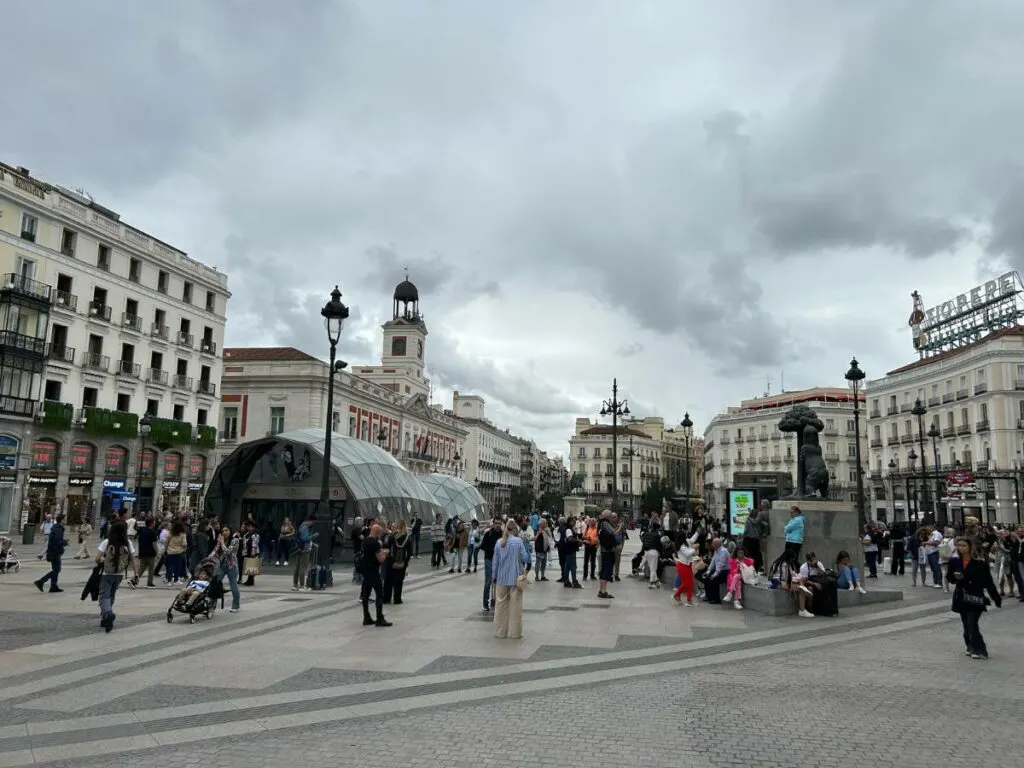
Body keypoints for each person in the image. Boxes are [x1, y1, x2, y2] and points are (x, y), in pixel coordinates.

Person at [946, 537, 1001, 659]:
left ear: (970, 547)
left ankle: (980, 649)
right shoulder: (954, 562)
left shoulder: (979, 564)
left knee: (972, 623)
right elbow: (949, 578)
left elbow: (988, 582)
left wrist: (996, 598)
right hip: (961, 595)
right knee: (966, 624)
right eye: (959, 545)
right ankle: (970, 646)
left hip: (975, 595)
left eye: (963, 545)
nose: (961, 548)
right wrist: (955, 578)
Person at [491, 519, 532, 639]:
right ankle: (515, 633)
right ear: (515, 529)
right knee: (516, 606)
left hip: (501, 578)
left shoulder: (499, 542)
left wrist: (494, 576)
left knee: (500, 605)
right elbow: (526, 558)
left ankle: (500, 631)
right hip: (516, 578)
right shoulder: (518, 542)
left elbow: (495, 561)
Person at [95, 521, 138, 632]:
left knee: (104, 595)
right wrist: (136, 573)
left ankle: (108, 614)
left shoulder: (107, 542)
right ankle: (106, 616)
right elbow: (133, 559)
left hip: (106, 573)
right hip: (119, 574)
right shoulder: (127, 543)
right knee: (111, 595)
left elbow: (97, 558)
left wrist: (101, 562)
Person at [359, 524, 392, 627]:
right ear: (378, 533)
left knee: (365, 595)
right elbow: (380, 559)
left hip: (365, 571)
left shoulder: (364, 541)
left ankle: (366, 617)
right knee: (379, 594)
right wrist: (386, 553)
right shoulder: (375, 543)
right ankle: (379, 618)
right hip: (373, 571)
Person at [34, 513, 68, 593]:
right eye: (65, 519)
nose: (66, 520)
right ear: (62, 520)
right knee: (57, 570)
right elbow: (57, 540)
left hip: (53, 551)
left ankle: (53, 586)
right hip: (55, 551)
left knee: (55, 569)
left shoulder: (56, 527)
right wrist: (65, 542)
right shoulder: (58, 528)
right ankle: (41, 581)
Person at [382, 519, 410, 604]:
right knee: (399, 581)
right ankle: (397, 599)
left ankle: (386, 598)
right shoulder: (407, 536)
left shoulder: (392, 535)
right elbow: (410, 551)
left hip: (391, 560)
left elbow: (387, 546)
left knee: (389, 580)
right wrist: (406, 561)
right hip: (402, 561)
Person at [480, 517, 503, 611]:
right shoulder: (488, 533)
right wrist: (491, 550)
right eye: (496, 523)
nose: (497, 525)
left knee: (498, 581)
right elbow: (482, 546)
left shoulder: (503, 534)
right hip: (489, 559)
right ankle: (485, 602)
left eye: (499, 523)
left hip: (500, 561)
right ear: (493, 524)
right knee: (488, 581)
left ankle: (495, 600)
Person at [596, 510, 619, 599]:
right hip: (608, 550)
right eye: (610, 516)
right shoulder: (605, 524)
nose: (611, 517)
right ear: (607, 516)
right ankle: (603, 591)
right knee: (606, 570)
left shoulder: (601, 524)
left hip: (604, 550)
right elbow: (614, 533)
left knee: (603, 570)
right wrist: (620, 527)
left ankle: (601, 590)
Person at [293, 514, 315, 591]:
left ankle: (295, 585)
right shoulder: (305, 528)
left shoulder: (301, 526)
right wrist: (313, 536)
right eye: (313, 522)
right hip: (304, 549)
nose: (313, 524)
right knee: (303, 567)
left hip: (299, 548)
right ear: (310, 521)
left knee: (298, 567)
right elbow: (305, 539)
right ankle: (302, 585)